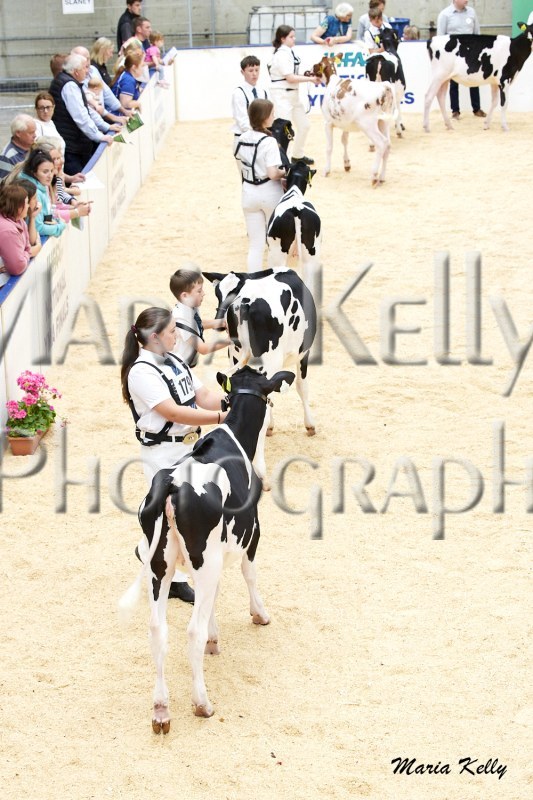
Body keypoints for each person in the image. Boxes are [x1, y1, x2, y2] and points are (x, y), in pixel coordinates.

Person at [120, 306, 228, 603]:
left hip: (193, 446)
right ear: (154, 337)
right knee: (170, 514)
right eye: (171, 331)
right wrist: (220, 418)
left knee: (193, 509)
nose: (177, 335)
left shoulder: (176, 359)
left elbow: (202, 396)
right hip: (163, 453)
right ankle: (173, 577)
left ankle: (148, 549)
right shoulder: (141, 372)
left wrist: (235, 400)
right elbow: (172, 411)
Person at [234, 98, 286, 272]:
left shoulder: (242, 138)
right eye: (272, 114)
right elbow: (272, 173)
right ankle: (274, 279)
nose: (274, 117)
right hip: (269, 193)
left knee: (255, 245)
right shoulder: (269, 141)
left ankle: (253, 281)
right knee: (275, 243)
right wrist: (285, 172)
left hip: (248, 193)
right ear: (264, 118)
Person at [49, 52, 115, 174]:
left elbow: (86, 111)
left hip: (73, 144)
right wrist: (99, 136)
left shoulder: (66, 82)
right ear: (76, 71)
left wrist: (105, 127)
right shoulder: (69, 86)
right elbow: (81, 117)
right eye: (85, 68)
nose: (88, 71)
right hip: (72, 147)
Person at [268, 26, 321, 166]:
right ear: (282, 39)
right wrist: (310, 79)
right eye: (291, 37)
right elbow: (290, 78)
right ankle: (282, 161)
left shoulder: (289, 52)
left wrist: (307, 75)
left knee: (304, 125)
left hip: (293, 95)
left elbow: (293, 75)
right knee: (284, 130)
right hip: (282, 95)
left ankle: (297, 155)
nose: (294, 39)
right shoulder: (281, 54)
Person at [169, 267, 231, 366]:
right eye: (199, 291)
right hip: (177, 368)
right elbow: (203, 349)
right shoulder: (181, 318)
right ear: (185, 296)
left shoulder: (189, 307)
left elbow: (197, 324)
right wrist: (230, 340)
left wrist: (222, 322)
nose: (203, 293)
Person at [437, 0, 486, 118]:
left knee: (474, 79)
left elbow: (477, 33)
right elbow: (440, 36)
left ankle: (476, 108)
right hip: (454, 53)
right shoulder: (445, 14)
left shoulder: (472, 12)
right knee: (454, 81)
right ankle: (455, 110)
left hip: (471, 52)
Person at [19, 149, 67, 239]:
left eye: (51, 171)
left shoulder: (42, 184)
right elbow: (38, 227)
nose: (50, 176)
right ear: (34, 172)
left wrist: (55, 222)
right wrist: (60, 226)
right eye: (45, 172)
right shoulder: (34, 192)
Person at [0, 183, 41, 277]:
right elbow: (17, 268)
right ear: (18, 207)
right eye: (26, 203)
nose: (28, 206)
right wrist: (29, 253)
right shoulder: (8, 230)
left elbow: (27, 245)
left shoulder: (19, 220)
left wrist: (24, 254)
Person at [231, 55, 270, 153]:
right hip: (244, 139)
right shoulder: (239, 93)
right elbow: (242, 121)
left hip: (260, 138)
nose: (254, 74)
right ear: (242, 72)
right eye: (251, 71)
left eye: (257, 70)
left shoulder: (263, 92)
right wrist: (261, 132)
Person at [0, 115, 37, 180]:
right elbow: (5, 184)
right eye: (31, 133)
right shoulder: (7, 157)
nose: (35, 135)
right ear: (18, 133)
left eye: (34, 132)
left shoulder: (34, 146)